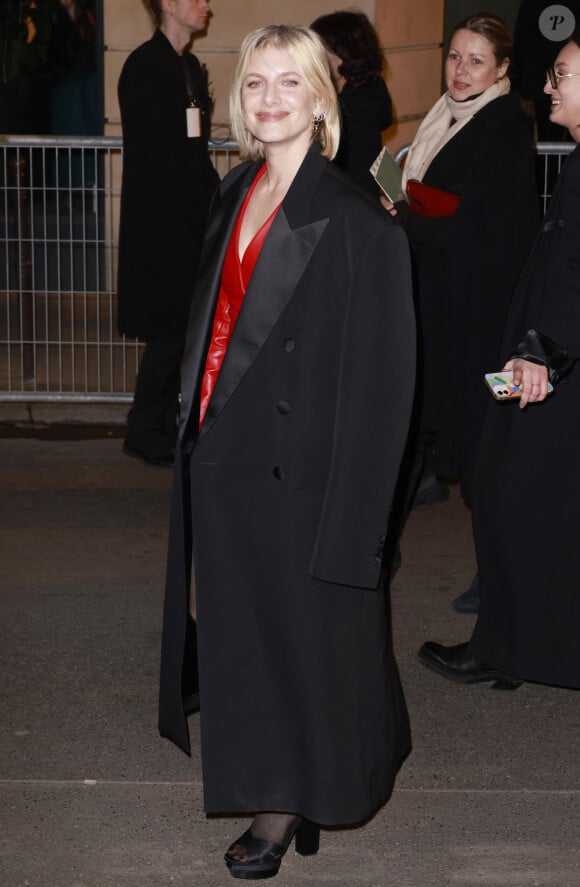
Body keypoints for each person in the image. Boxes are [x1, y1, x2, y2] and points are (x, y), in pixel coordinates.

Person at [158, 24, 416, 881]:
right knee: (239, 635)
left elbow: (383, 394)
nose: (270, 100)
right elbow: (216, 323)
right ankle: (273, 780)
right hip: (224, 459)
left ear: (320, 99)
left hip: (301, 474)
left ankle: (282, 802)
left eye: (288, 84)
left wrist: (356, 528)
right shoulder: (235, 191)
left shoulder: (355, 224)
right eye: (256, 85)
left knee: (297, 645)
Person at [418, 32, 580, 690]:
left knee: (507, 494)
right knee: (510, 494)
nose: (549, 86)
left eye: (562, 74)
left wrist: (543, 350)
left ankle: (507, 647)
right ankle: (511, 645)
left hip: (550, 366)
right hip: (538, 355)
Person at [382, 12, 539, 610]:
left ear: (501, 70)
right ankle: (377, 546)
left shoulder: (502, 126)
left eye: (477, 60)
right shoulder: (444, 115)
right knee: (408, 428)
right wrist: (403, 198)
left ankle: (500, 578)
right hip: (432, 299)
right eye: (454, 56)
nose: (461, 70)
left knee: (482, 456)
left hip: (474, 313)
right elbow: (436, 194)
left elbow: (484, 230)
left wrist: (407, 217)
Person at [117, 0, 219, 467]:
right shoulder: (145, 67)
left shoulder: (188, 67)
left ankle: (154, 425)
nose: (207, 7)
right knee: (169, 332)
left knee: (178, 333)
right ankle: (145, 428)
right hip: (162, 227)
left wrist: (215, 199)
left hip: (189, 222)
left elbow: (193, 151)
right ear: (170, 5)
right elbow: (159, 159)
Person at [310, 10, 392, 197]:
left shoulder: (347, 111)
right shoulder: (371, 91)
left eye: (317, 49)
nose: (311, 58)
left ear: (343, 54)